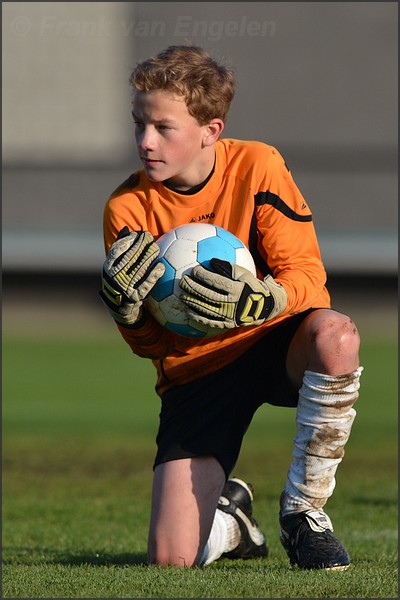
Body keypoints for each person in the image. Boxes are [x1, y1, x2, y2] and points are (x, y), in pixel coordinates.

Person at [99, 44, 363, 570]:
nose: (145, 142)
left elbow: (310, 279)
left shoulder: (258, 165)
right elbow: (154, 347)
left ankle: (304, 514)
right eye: (138, 124)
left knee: (336, 335)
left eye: (163, 128)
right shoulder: (126, 208)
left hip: (272, 342)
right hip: (197, 372)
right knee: (171, 560)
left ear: (210, 130)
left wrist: (266, 298)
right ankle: (232, 522)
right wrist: (128, 317)